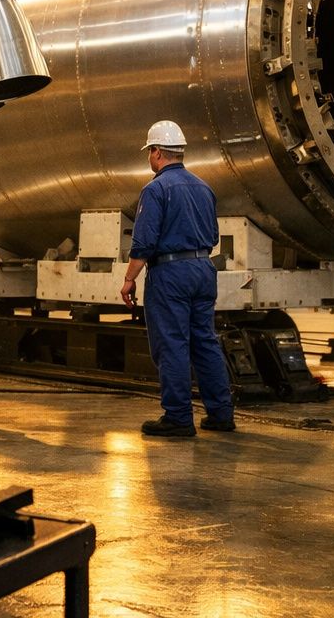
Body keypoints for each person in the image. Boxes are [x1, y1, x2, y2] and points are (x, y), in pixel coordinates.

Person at [118, 120, 235, 438]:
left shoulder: (155, 189)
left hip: (170, 274)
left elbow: (143, 242)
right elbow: (212, 235)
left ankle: (179, 417)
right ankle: (221, 414)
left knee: (172, 344)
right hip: (202, 269)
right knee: (205, 342)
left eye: (149, 151)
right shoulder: (203, 187)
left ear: (156, 152)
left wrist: (130, 279)